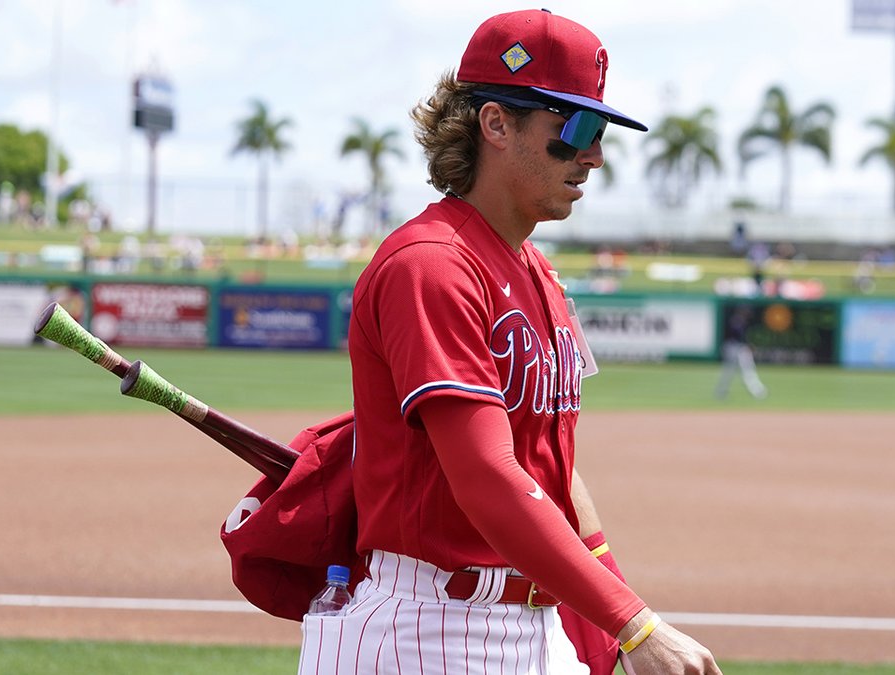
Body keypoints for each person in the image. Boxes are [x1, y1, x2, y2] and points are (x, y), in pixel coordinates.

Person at [300, 9, 720, 675]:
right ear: (496, 123)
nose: (595, 154)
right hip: (428, 630)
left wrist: (606, 617)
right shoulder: (430, 265)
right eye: (575, 128)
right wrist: (636, 624)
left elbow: (551, 464)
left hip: (531, 622)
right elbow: (487, 475)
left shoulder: (539, 273)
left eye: (601, 131)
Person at [715, 305, 768, 400]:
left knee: (743, 370)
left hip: (736, 347)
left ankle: (756, 390)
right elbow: (737, 336)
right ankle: (756, 390)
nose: (747, 314)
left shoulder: (739, 321)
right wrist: (747, 346)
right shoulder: (736, 321)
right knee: (736, 370)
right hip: (734, 347)